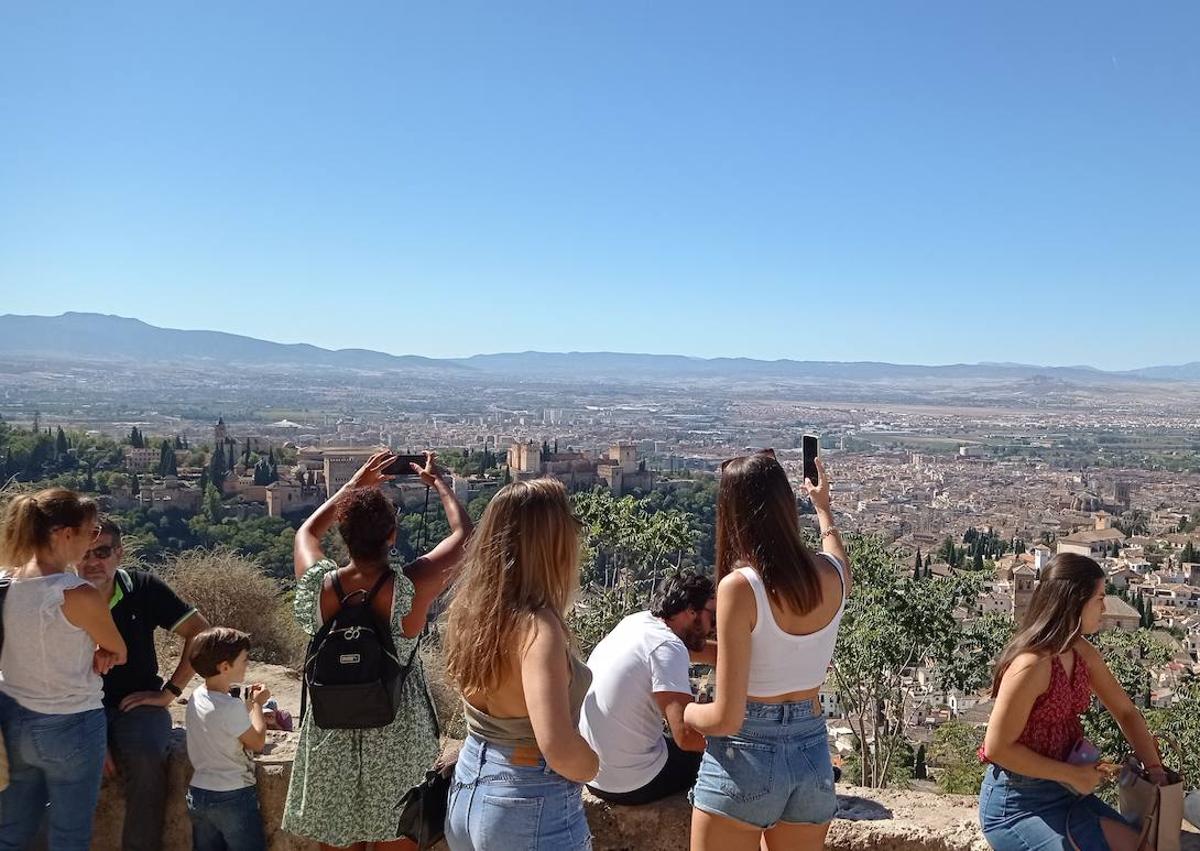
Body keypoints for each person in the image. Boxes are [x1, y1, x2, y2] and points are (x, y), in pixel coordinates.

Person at [282, 450, 472, 851]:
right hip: (398, 731)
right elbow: (463, 535)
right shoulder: (410, 588)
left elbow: (306, 534)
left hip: (331, 729)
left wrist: (353, 487)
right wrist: (437, 482)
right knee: (397, 839)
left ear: (345, 536)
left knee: (337, 840)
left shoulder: (318, 586)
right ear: (392, 536)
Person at [683, 451, 850, 851]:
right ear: (784, 506)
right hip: (812, 753)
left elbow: (725, 718)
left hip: (746, 756)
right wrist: (823, 507)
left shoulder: (740, 588)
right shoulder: (836, 575)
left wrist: (684, 711)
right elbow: (834, 550)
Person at [443, 478, 597, 851]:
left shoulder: (475, 613)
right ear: (553, 544)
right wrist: (592, 764)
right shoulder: (537, 628)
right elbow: (557, 747)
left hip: (467, 790)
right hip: (527, 800)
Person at [979, 553, 1166, 851]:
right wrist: (1073, 775)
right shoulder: (1031, 665)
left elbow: (1126, 711)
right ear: (1074, 602)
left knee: (1142, 846)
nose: (1104, 609)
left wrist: (1155, 770)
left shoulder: (1080, 652)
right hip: (1017, 805)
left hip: (1068, 792)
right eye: (1099, 599)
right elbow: (997, 748)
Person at [0, 488, 128, 851]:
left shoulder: (5, 583)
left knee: (11, 830)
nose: (92, 540)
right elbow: (118, 649)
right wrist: (103, 651)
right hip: (71, 723)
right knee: (69, 836)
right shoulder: (76, 594)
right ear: (64, 533)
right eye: (90, 531)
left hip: (13, 716)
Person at [78, 516, 211, 851]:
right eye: (84, 552)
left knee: (149, 755)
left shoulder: (143, 589)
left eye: (102, 551)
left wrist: (170, 692)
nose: (93, 561)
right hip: (75, 706)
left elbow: (201, 632)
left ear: (119, 554)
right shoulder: (62, 595)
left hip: (135, 704)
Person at [580, 572, 715, 805]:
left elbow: (704, 651)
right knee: (720, 761)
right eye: (712, 616)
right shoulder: (667, 647)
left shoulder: (638, 623)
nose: (714, 626)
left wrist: (739, 658)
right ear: (691, 612)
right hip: (634, 783)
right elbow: (686, 736)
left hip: (595, 775)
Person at [184, 627, 269, 851]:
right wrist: (258, 706)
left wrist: (247, 708)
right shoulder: (229, 707)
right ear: (224, 667)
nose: (247, 665)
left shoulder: (197, 696)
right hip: (233, 797)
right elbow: (257, 741)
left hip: (199, 793)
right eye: (244, 660)